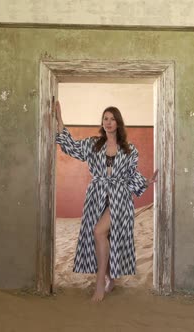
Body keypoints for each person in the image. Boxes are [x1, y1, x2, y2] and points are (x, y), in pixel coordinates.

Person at [54, 100, 158, 302]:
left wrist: (148, 180)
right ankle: (111, 278)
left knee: (99, 231)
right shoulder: (93, 144)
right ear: (102, 122)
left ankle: (100, 283)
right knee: (104, 237)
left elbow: (131, 176)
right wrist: (59, 117)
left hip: (120, 198)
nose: (108, 122)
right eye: (105, 118)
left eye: (112, 119)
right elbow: (70, 147)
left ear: (118, 123)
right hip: (97, 195)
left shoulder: (130, 150)